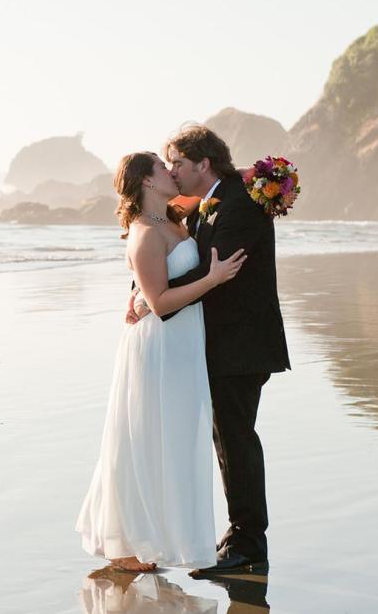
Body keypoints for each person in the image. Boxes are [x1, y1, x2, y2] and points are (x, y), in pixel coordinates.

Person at [76, 150, 244, 571]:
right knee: (148, 439)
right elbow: (160, 301)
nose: (171, 172)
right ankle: (126, 543)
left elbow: (216, 188)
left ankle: (142, 536)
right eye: (161, 167)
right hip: (160, 349)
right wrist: (212, 278)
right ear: (147, 182)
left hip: (183, 345)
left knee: (174, 438)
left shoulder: (171, 216)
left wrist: (251, 176)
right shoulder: (145, 234)